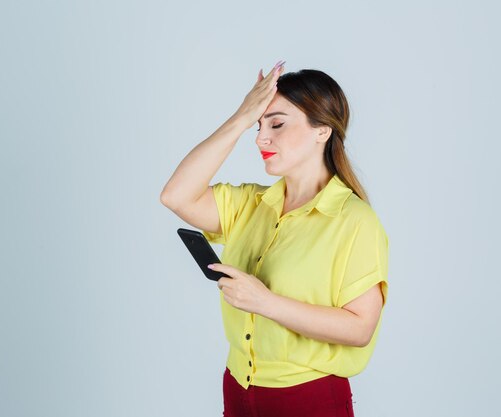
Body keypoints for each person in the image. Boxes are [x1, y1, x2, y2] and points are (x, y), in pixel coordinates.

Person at [160, 60, 389, 417]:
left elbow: (360, 327)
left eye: (277, 123)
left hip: (307, 398)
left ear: (322, 130)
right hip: (238, 389)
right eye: (258, 125)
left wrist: (266, 302)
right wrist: (240, 117)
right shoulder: (251, 204)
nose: (261, 138)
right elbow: (176, 195)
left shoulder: (354, 221)